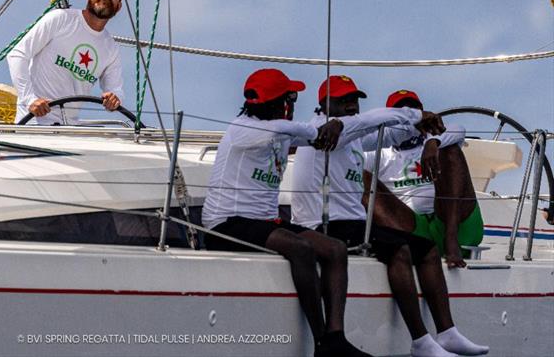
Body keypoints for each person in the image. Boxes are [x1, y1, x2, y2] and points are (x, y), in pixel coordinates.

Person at [290, 75, 489, 357]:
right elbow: (373, 120)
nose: (351, 106)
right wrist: (418, 115)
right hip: (327, 225)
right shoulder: (326, 130)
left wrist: (427, 133)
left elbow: (390, 132)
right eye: (343, 100)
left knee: (428, 251)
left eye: (354, 100)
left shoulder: (351, 134)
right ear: (324, 104)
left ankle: (447, 333)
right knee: (400, 250)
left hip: (355, 222)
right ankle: (421, 341)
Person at [202, 68, 371, 357]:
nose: (293, 106)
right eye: (290, 99)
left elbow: (307, 136)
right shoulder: (243, 129)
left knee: (335, 249)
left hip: (264, 222)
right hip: (225, 224)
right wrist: (318, 129)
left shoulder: (280, 131)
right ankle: (320, 343)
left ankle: (335, 337)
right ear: (279, 103)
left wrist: (337, 128)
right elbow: (289, 132)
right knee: (301, 248)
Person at [362, 90, 483, 269]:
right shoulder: (378, 152)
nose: (410, 116)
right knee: (358, 173)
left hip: (454, 224)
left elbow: (458, 129)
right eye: (403, 111)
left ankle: (450, 237)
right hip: (411, 229)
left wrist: (432, 142)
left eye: (415, 110)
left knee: (450, 150)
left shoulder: (437, 139)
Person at [7, 0, 124, 124]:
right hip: (33, 124)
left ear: (119, 6)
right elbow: (17, 55)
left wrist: (114, 99)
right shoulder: (60, 18)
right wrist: (30, 99)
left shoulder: (111, 48)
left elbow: (116, 90)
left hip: (67, 130)